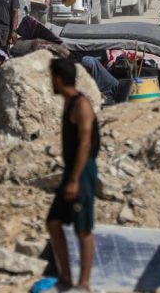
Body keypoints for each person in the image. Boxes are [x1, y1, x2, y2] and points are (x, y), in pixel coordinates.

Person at [46, 58, 100, 292]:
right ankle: (66, 277)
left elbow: (85, 144)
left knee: (83, 229)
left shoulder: (81, 105)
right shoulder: (69, 102)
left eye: (52, 78)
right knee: (53, 222)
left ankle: (84, 284)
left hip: (82, 171)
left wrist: (75, 179)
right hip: (72, 170)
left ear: (58, 79)